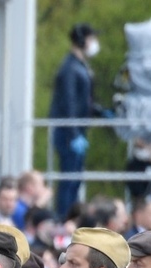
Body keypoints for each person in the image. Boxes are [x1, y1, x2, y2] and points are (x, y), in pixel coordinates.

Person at [49, 23, 102, 220]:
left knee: (76, 179)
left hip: (77, 131)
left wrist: (99, 111)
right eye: (91, 38)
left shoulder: (80, 66)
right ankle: (64, 217)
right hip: (69, 133)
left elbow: (83, 99)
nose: (94, 43)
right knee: (68, 179)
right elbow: (69, 102)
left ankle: (71, 217)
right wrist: (73, 134)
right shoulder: (70, 68)